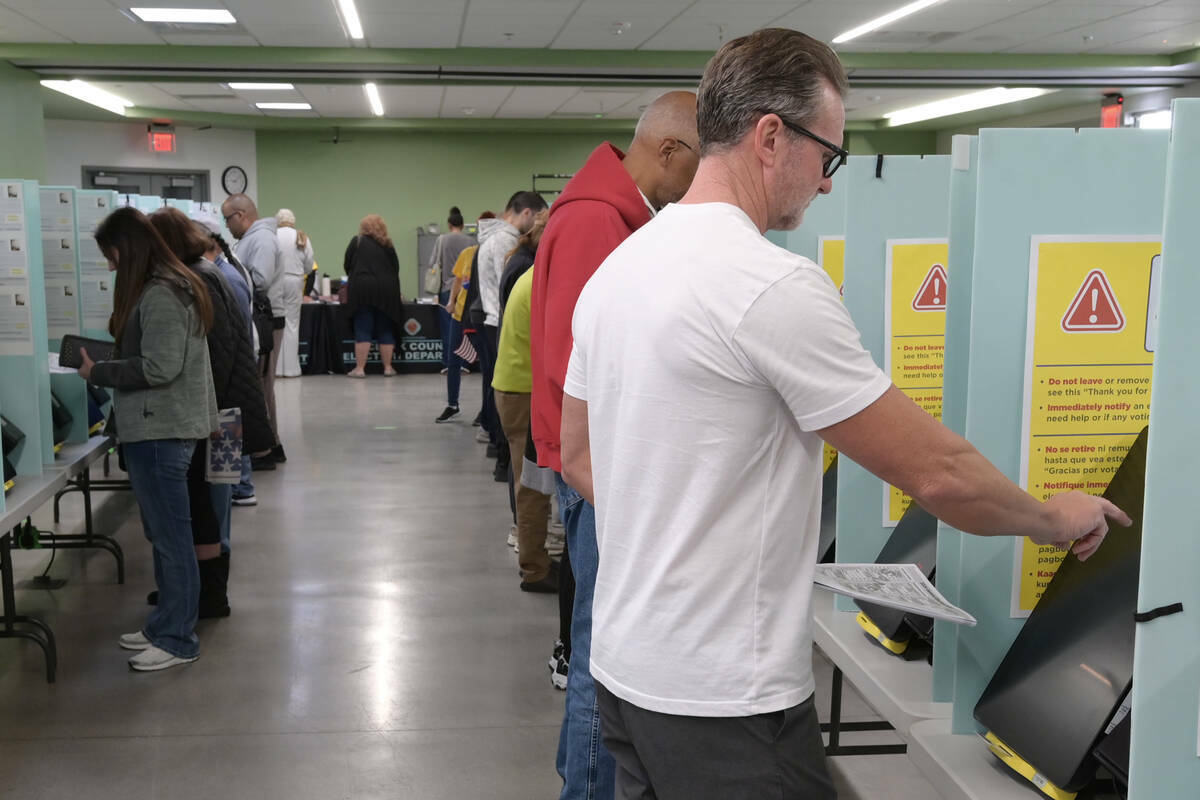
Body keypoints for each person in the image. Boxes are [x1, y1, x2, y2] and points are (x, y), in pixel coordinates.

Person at [559, 29, 1130, 798]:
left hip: (629, 675)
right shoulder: (769, 286)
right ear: (770, 137)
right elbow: (939, 472)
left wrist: (685, 525)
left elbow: (579, 455)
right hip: (727, 702)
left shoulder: (620, 269)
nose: (828, 184)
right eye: (827, 156)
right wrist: (1052, 519)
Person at [529, 89, 700, 800]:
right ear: (668, 151)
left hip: (600, 469)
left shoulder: (608, 214)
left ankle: (583, 779)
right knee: (605, 656)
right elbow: (581, 368)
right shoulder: (600, 222)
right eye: (701, 162)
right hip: (604, 474)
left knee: (600, 642)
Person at [77, 206, 218, 672]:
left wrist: (100, 371)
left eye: (112, 255)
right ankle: (165, 624)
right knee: (163, 535)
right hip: (158, 428)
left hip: (161, 430)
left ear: (129, 248)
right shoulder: (167, 288)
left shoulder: (161, 294)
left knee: (172, 539)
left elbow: (159, 367)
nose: (111, 266)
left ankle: (178, 638)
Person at [149, 208, 272, 618]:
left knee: (210, 507)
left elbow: (215, 355)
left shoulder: (200, 278)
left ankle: (210, 596)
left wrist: (198, 410)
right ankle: (202, 590)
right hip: (224, 412)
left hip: (218, 416)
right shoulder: (209, 271)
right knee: (213, 503)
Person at [493, 214, 558, 591]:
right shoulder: (539, 283)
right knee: (531, 484)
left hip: (517, 387)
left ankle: (536, 560)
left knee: (529, 481)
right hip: (522, 392)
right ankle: (535, 568)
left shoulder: (531, 276)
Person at [474, 192, 548, 470]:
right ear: (526, 213)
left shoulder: (491, 238)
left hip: (493, 320)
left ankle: (496, 443)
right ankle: (500, 453)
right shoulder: (507, 243)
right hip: (498, 322)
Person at [220, 193, 286, 467]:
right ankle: (271, 443)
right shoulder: (251, 239)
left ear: (241, 215)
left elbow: (259, 279)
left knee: (261, 385)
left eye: (227, 219)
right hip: (260, 318)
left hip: (265, 320)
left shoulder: (261, 240)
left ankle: (266, 448)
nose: (226, 225)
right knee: (260, 384)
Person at [207, 231, 260, 505]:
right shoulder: (223, 274)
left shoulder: (227, 278)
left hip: (233, 364)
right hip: (233, 362)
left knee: (230, 426)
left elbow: (236, 328)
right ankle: (239, 486)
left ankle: (242, 487)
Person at [343, 214, 403, 378]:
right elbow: (395, 268)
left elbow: (347, 265)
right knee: (385, 328)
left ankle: (360, 369)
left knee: (363, 327)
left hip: (362, 289)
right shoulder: (388, 245)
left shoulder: (357, 242)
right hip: (387, 290)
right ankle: (388, 368)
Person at [436, 241, 479, 423]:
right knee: (453, 359)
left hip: (479, 315)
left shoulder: (493, 253)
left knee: (487, 363)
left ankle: (488, 411)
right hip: (460, 314)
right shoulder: (467, 253)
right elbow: (458, 280)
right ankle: (452, 404)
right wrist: (451, 301)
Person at [430, 206, 474, 378]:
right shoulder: (471, 241)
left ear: (449, 224)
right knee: (465, 329)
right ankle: (465, 364)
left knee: (448, 328)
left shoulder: (442, 240)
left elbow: (433, 262)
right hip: (466, 290)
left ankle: (449, 364)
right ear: (462, 225)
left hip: (447, 289)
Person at [274, 208, 314, 378]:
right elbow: (309, 264)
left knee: (276, 323)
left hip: (275, 281)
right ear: (293, 220)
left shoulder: (272, 235)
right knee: (292, 324)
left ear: (278, 220)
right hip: (295, 279)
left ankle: (276, 368)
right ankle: (291, 369)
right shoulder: (301, 236)